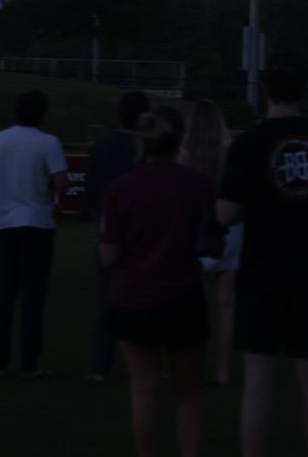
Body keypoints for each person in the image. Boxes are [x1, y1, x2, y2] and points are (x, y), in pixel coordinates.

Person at [217, 55, 308, 457]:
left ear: (265, 91)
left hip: (261, 271)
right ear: (304, 90)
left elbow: (225, 213)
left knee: (258, 379)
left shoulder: (248, 143)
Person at [100, 106, 217, 457]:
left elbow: (108, 255)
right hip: (184, 298)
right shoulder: (197, 184)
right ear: (178, 138)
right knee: (190, 396)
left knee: (143, 391)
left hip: (135, 300)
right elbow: (210, 242)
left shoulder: (121, 188)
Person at [0, 88, 69, 380]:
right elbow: (61, 182)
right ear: (42, 114)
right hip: (37, 224)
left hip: (5, 225)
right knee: (33, 297)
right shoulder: (48, 142)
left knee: (5, 294)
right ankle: (30, 363)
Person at [83, 90, 150, 384]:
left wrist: (97, 230)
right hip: (142, 234)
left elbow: (90, 195)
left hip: (107, 232)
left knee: (107, 302)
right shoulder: (146, 148)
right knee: (147, 300)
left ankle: (100, 367)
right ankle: (149, 363)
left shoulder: (101, 146)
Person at [180, 98, 240, 387]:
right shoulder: (230, 152)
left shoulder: (185, 154)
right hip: (229, 229)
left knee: (193, 304)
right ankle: (224, 370)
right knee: (227, 305)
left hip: (195, 230)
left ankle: (192, 366)